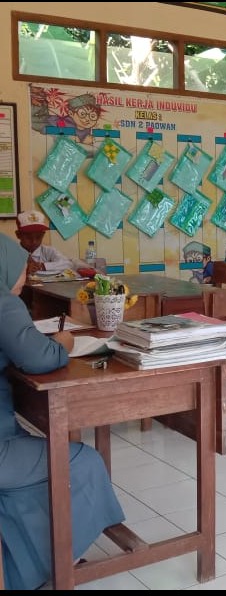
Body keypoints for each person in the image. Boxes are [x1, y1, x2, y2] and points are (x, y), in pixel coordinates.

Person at [0, 233, 125, 590]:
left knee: (28, 471)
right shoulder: (3, 302)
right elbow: (39, 358)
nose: (25, 276)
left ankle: (24, 568)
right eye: (22, 268)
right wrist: (62, 344)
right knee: (83, 461)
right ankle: (62, 558)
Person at [15, 210, 75, 276]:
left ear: (43, 234)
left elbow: (68, 264)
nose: (34, 241)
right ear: (18, 235)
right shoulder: (12, 254)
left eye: (38, 237)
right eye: (28, 237)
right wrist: (24, 270)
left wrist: (43, 266)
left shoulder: (48, 251)